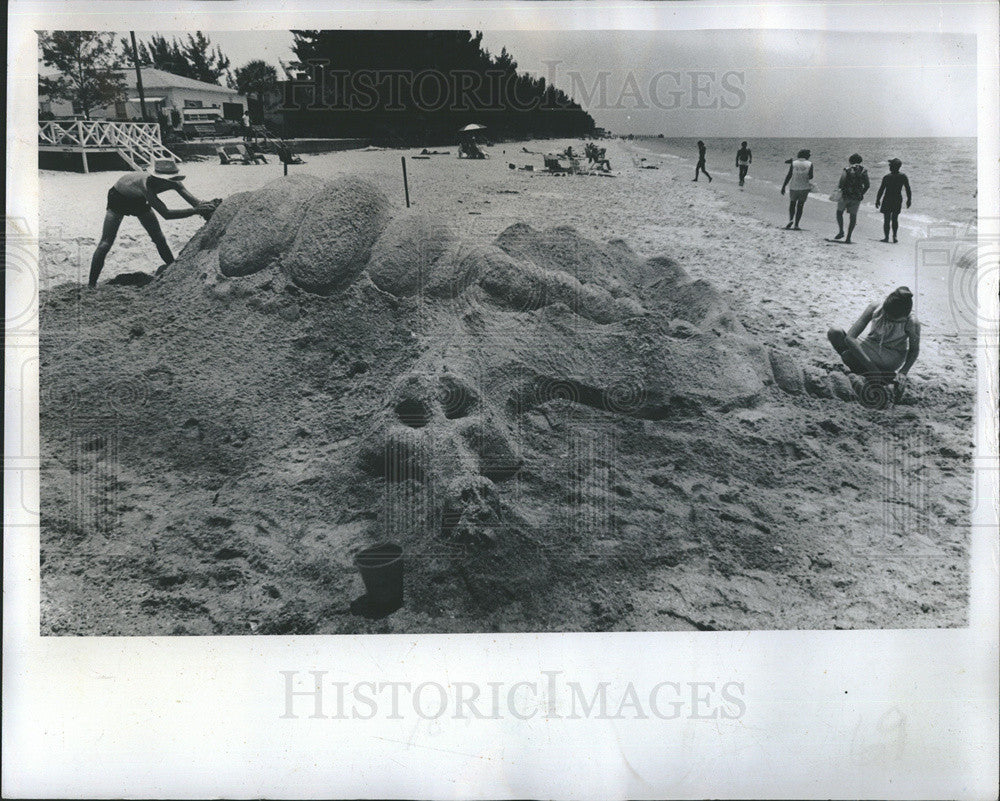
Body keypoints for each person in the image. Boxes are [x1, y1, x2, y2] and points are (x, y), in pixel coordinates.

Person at [88, 161, 216, 289]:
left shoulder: (175, 182)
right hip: (118, 198)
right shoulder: (146, 186)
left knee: (159, 238)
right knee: (106, 242)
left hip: (139, 200)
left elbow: (195, 203)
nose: (171, 182)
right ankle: (91, 285)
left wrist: (206, 210)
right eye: (167, 180)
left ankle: (172, 269)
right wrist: (195, 211)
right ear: (157, 178)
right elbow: (166, 214)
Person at [827, 286, 920, 403]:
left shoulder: (911, 322)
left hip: (891, 354)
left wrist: (903, 372)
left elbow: (914, 350)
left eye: (893, 320)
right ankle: (872, 372)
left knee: (849, 356)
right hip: (871, 345)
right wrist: (872, 368)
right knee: (835, 332)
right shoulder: (876, 308)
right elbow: (850, 337)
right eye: (887, 316)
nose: (888, 320)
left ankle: (863, 368)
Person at [834, 153, 870, 243]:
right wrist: (862, 193)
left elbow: (841, 182)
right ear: (860, 161)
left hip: (845, 195)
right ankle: (848, 237)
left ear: (850, 161)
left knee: (839, 212)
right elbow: (867, 185)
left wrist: (841, 189)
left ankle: (841, 231)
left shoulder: (847, 169)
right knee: (853, 216)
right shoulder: (863, 170)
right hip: (857, 196)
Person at [875, 158, 912, 243]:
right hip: (897, 198)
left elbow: (881, 190)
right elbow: (908, 189)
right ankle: (894, 236)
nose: (889, 166)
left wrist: (877, 199)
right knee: (895, 218)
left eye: (890, 165)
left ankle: (886, 237)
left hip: (887, 198)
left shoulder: (887, 177)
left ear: (892, 167)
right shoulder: (903, 176)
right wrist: (909, 200)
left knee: (886, 219)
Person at [780, 148, 814, 229]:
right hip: (804, 187)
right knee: (800, 206)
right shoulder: (810, 164)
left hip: (793, 187)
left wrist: (783, 186)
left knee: (792, 204)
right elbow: (811, 176)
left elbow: (789, 175)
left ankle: (791, 219)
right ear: (807, 156)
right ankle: (796, 225)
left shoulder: (794, 163)